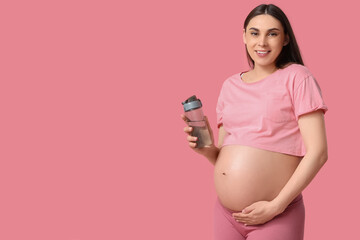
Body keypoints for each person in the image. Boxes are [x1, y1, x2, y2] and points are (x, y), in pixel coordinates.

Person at [181, 4, 328, 240]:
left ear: (286, 38)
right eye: (254, 33)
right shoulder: (230, 85)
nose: (262, 42)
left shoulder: (297, 77)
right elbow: (222, 155)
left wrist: (276, 206)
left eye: (272, 33)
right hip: (226, 215)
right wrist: (206, 149)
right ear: (244, 36)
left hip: (276, 214)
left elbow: (318, 153)